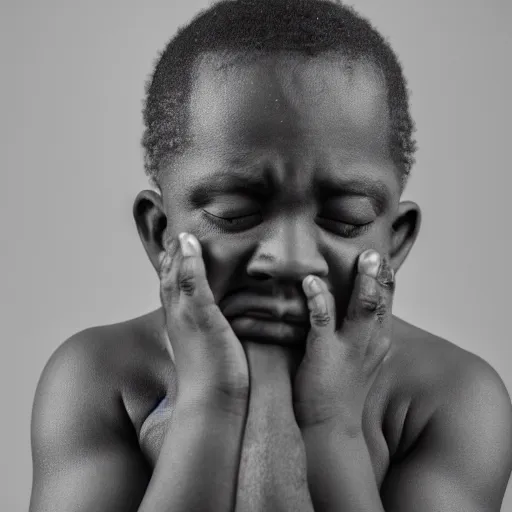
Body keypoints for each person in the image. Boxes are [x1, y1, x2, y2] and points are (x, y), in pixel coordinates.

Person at [29, 0, 512, 511]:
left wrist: (332, 426)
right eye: (234, 213)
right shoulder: (101, 379)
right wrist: (210, 404)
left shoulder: (451, 396)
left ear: (395, 239)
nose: (291, 258)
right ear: (159, 231)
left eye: (346, 218)